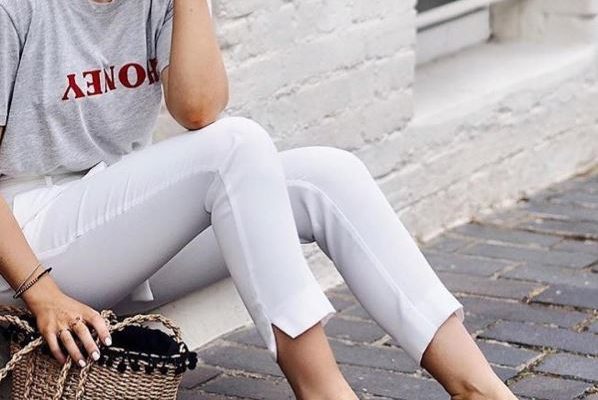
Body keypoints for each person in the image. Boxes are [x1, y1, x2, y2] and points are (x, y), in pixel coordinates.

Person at [0, 0, 518, 399]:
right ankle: (323, 391)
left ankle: (479, 388)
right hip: (27, 241)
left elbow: (198, 109)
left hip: (112, 230)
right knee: (236, 145)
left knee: (326, 175)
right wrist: (41, 292)